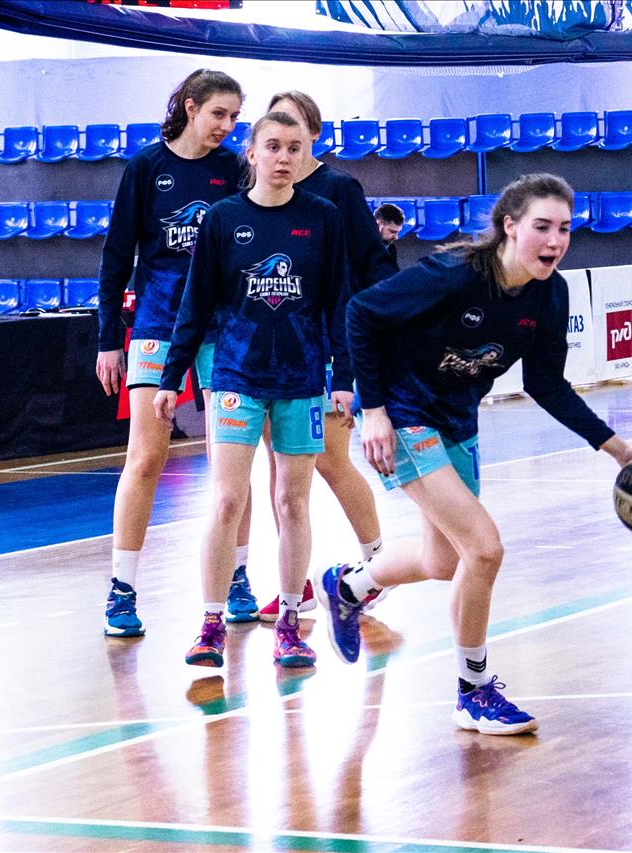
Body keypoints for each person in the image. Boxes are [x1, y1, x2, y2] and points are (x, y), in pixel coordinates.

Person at [319, 173, 632, 735]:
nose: (555, 240)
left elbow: (547, 385)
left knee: (445, 562)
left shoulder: (550, 294)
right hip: (405, 413)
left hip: (456, 418)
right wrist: (372, 409)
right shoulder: (454, 274)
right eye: (542, 226)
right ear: (510, 226)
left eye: (564, 228)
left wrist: (618, 450)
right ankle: (473, 692)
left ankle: (347, 586)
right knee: (484, 549)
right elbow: (362, 313)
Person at [153, 111, 351, 669]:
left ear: (306, 153)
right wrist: (171, 376)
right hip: (235, 377)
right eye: (273, 146)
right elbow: (195, 304)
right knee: (226, 499)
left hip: (302, 380)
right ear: (253, 152)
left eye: (294, 147)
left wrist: (344, 379)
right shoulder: (223, 218)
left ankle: (289, 623)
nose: (283, 157)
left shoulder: (324, 217)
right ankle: (210, 624)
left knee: (292, 502)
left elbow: (339, 302)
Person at [95, 69, 246, 638]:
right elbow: (116, 258)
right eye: (219, 114)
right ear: (190, 107)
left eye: (235, 117)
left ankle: (237, 577)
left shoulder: (234, 170)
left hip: (222, 329)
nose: (227, 126)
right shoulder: (145, 167)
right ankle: (121, 589)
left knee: (230, 463)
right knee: (145, 457)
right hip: (157, 325)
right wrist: (109, 339)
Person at [250, 91, 401, 622]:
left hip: (329, 348)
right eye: (274, 129)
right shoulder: (262, 192)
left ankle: (378, 569)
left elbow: (373, 265)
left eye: (294, 127)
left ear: (312, 133)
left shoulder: (338, 189)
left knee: (332, 460)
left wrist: (375, 331)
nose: (284, 142)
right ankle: (297, 585)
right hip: (274, 350)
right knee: (281, 471)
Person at [374, 202, 405, 268]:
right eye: (392, 231)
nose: (396, 237)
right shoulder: (357, 247)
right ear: (378, 224)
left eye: (398, 232)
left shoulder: (391, 248)